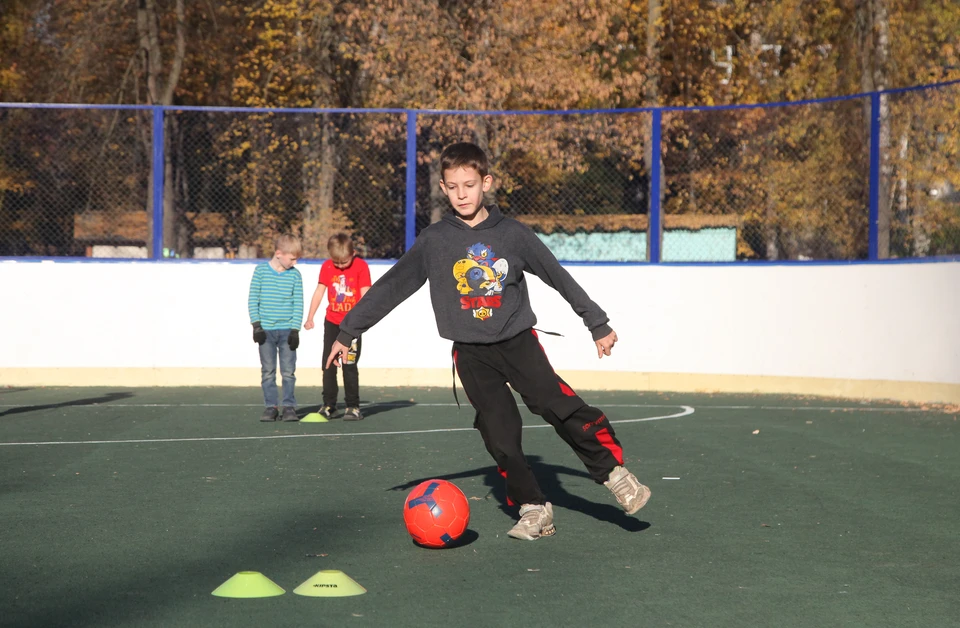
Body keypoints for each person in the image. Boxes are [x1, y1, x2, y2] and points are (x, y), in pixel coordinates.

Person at [325, 142, 651, 541]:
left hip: (518, 343)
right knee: (499, 434)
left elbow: (557, 275)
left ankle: (615, 474)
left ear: (486, 183)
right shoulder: (434, 241)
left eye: (469, 184)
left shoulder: (513, 234)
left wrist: (596, 322)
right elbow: (392, 287)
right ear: (443, 189)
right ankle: (533, 507)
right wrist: (349, 330)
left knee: (558, 406)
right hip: (471, 356)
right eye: (453, 186)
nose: (462, 193)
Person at [305, 233, 372, 420]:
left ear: (353, 253)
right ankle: (328, 404)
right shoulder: (327, 267)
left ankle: (353, 406)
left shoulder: (361, 267)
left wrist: (365, 320)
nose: (340, 266)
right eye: (337, 262)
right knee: (328, 363)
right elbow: (319, 292)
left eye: (344, 262)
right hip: (332, 322)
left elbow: (366, 294)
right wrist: (310, 316)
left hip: (352, 326)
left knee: (349, 364)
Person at [248, 234, 304, 423]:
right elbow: (253, 299)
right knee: (268, 371)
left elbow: (298, 303)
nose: (295, 262)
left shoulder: (295, 275)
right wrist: (256, 325)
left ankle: (289, 407)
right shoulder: (261, 272)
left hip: (287, 330)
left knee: (288, 371)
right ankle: (271, 406)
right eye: (292, 258)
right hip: (266, 331)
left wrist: (295, 329)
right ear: (279, 254)